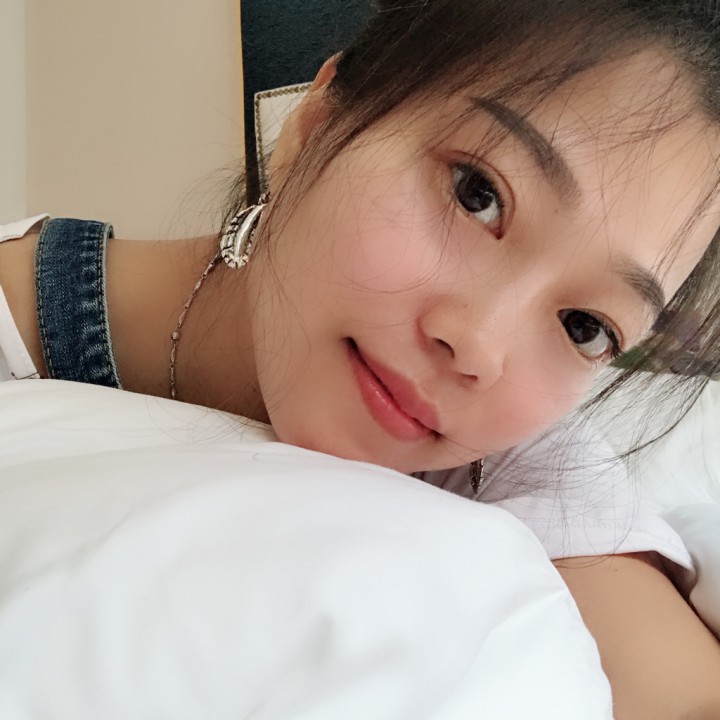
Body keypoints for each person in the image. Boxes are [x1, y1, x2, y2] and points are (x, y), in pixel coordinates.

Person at [2, 0, 720, 716]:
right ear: (313, 125)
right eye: (477, 195)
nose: (480, 345)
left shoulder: (518, 462)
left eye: (585, 327)